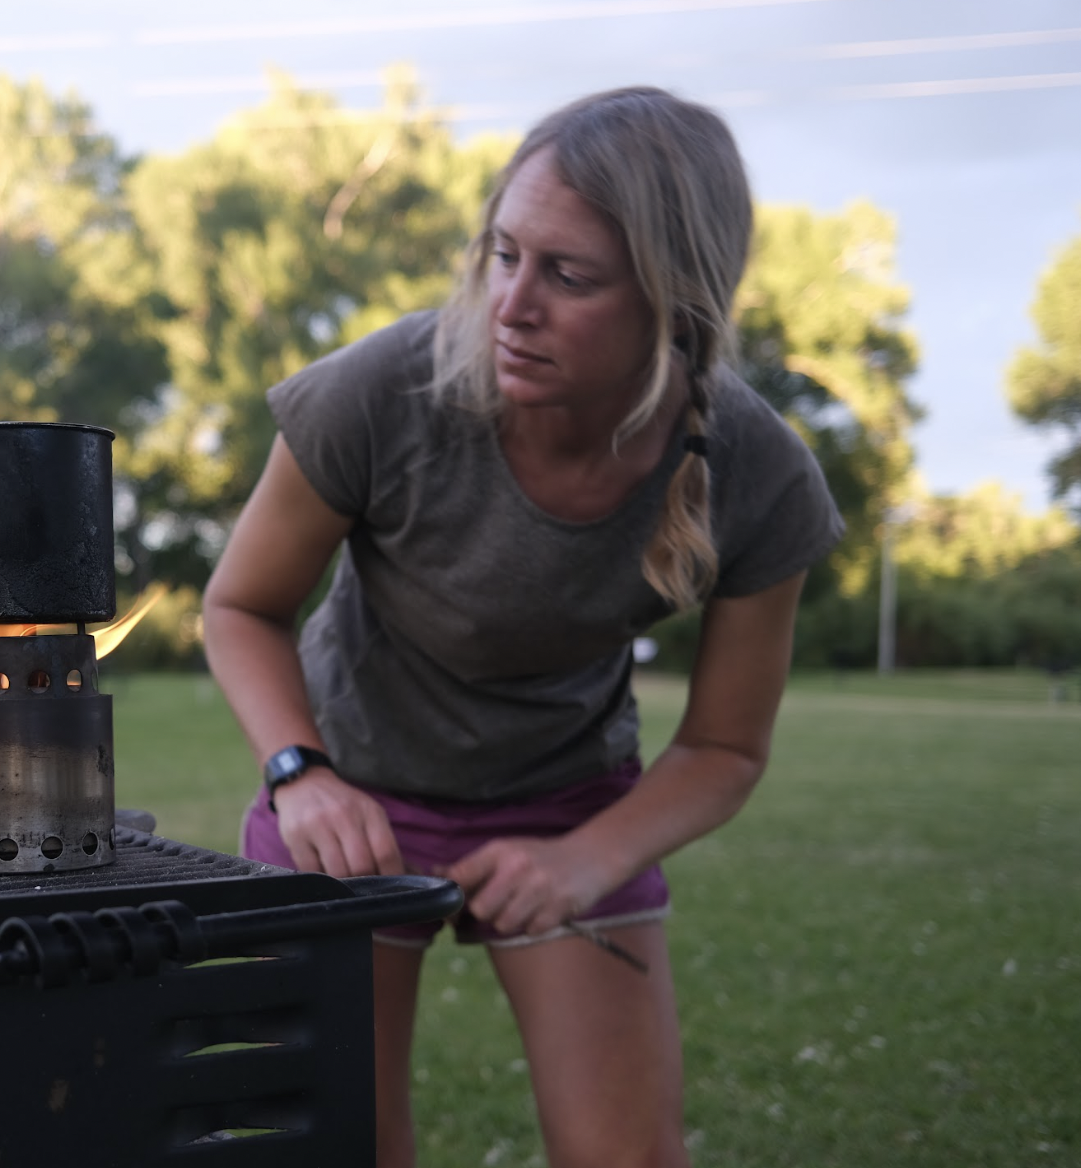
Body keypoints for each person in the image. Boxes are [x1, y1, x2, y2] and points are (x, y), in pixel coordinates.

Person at [201, 86, 844, 1168]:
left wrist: (586, 858)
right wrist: (297, 771)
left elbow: (725, 748)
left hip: (567, 804)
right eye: (503, 255)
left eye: (568, 275)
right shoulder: (380, 392)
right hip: (343, 796)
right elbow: (238, 607)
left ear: (673, 301)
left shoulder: (756, 470)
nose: (511, 303)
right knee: (334, 1147)